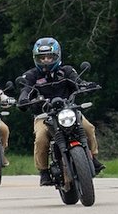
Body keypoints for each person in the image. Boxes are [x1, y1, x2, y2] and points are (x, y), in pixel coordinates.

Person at [13, 36, 100, 182]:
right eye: (42, 57)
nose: (46, 60)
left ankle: (93, 158)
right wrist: (23, 99)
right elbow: (25, 90)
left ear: (57, 55)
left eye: (49, 56)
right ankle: (43, 171)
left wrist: (87, 85)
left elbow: (78, 82)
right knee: (41, 138)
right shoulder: (31, 75)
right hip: (44, 115)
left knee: (88, 128)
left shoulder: (66, 71)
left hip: (69, 111)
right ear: (36, 58)